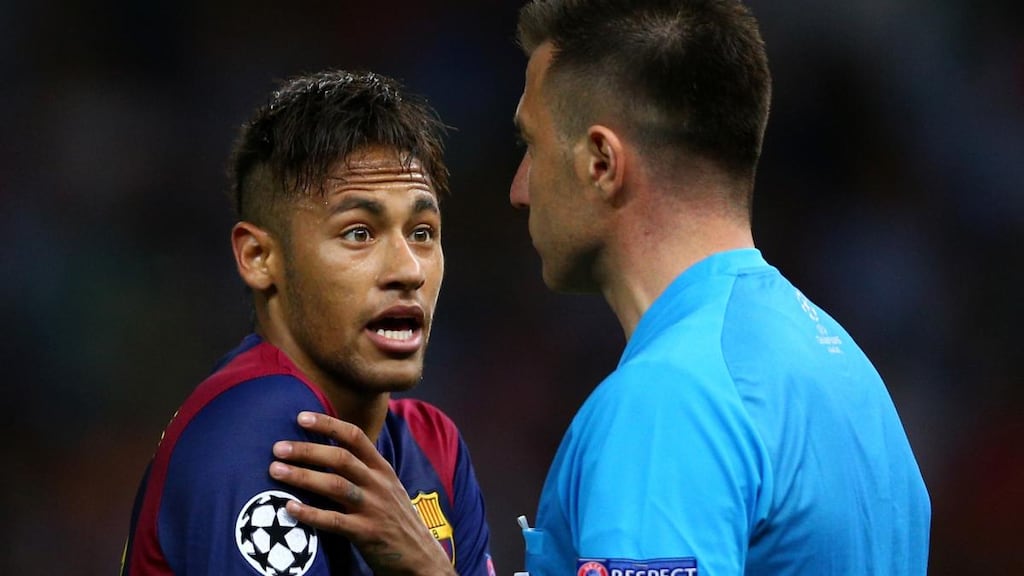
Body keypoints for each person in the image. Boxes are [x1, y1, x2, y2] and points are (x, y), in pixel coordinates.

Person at [506, 0, 931, 574]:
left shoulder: (666, 400)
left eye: (530, 146)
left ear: (601, 162)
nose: (519, 189)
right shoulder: (852, 379)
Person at [120, 69, 496, 576]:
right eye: (359, 233)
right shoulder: (257, 431)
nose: (408, 269)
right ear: (258, 257)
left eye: (423, 232)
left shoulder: (435, 447)